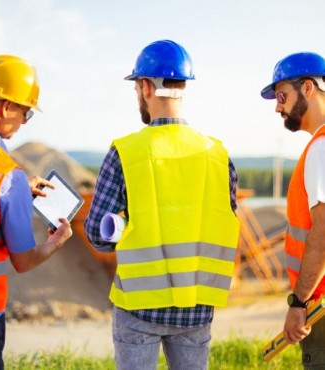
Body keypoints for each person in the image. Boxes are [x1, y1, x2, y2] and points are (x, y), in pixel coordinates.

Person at [85, 40, 240, 370]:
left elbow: (98, 236)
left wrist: (127, 223)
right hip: (197, 307)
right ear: (183, 87)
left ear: (144, 87)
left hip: (139, 308)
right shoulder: (217, 154)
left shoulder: (125, 151)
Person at [0, 55, 73, 369]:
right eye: (26, 112)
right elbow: (24, 260)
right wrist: (55, 242)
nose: (24, 122)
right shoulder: (6, 175)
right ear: (6, 107)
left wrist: (18, 190)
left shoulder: (9, 180)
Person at [261, 52, 325, 369]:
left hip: (320, 306)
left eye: (282, 95)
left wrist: (298, 302)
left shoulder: (321, 148)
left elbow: (322, 234)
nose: (277, 106)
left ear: (309, 89)